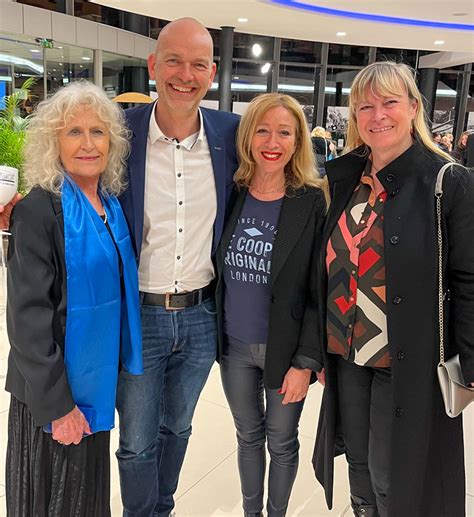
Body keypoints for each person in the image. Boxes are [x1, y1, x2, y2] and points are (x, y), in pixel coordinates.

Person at [311, 61, 474, 517]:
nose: (377, 114)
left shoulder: (447, 181)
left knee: (394, 479)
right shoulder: (346, 180)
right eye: (365, 106)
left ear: (414, 108)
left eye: (389, 102)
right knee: (360, 469)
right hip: (348, 356)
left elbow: (468, 278)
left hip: (408, 361)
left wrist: (471, 359)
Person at [116, 17, 240, 517]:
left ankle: (160, 508)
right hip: (139, 314)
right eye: (173, 60)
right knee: (138, 439)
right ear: (153, 66)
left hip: (201, 315)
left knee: (179, 427)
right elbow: (69, 177)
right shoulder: (120, 132)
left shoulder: (231, 135)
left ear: (211, 72)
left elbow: (285, 171)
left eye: (197, 64)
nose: (184, 75)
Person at [5, 82, 143, 517]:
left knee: (86, 501)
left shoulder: (110, 205)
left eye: (98, 132)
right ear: (53, 142)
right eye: (73, 132)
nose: (87, 144)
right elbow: (28, 320)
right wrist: (60, 407)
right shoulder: (40, 209)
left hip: (95, 386)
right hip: (52, 398)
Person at [216, 93, 328, 517]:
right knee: (247, 436)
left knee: (281, 441)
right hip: (235, 348)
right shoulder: (234, 192)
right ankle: (251, 512)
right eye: (263, 129)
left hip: (287, 350)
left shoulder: (312, 201)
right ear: (248, 137)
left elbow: (321, 287)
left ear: (298, 141)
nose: (273, 141)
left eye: (285, 132)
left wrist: (306, 360)